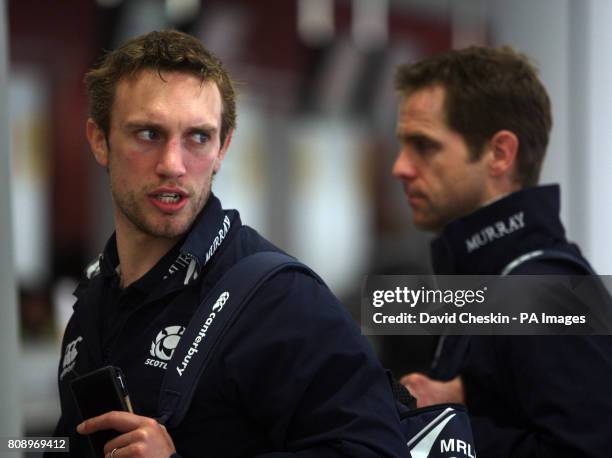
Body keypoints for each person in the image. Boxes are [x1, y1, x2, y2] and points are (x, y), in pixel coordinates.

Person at [49, 30, 408, 458]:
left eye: (198, 137)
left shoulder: (280, 299)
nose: (173, 165)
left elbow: (377, 451)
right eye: (148, 134)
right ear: (99, 140)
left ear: (223, 148)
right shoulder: (92, 305)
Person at [391, 46, 612, 457]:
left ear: (500, 153)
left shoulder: (546, 290)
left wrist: (440, 429)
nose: (400, 166)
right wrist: (460, 400)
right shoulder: (500, 279)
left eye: (424, 145)